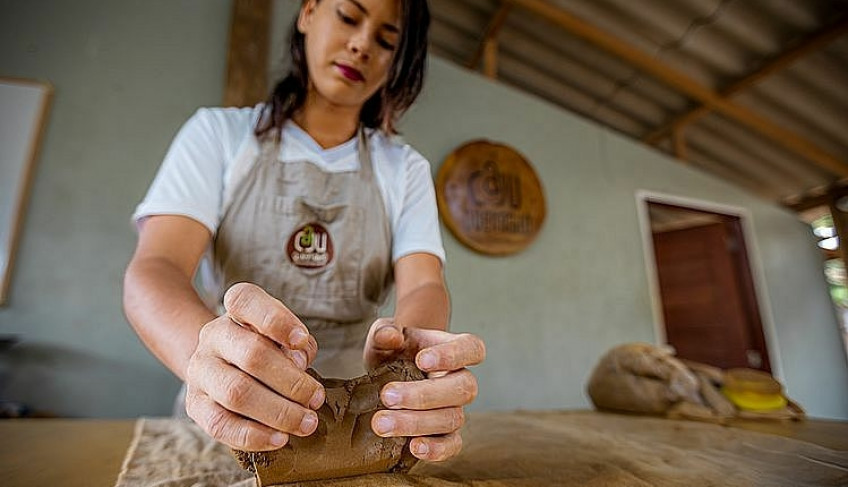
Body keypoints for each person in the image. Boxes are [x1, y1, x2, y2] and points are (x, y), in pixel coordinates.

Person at [123, 0, 486, 463]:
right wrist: (204, 358)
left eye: (386, 40)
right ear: (309, 12)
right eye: (349, 18)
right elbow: (156, 268)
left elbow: (425, 283)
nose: (361, 45)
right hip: (225, 416)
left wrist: (410, 354)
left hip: (356, 423)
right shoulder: (217, 136)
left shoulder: (405, 169)